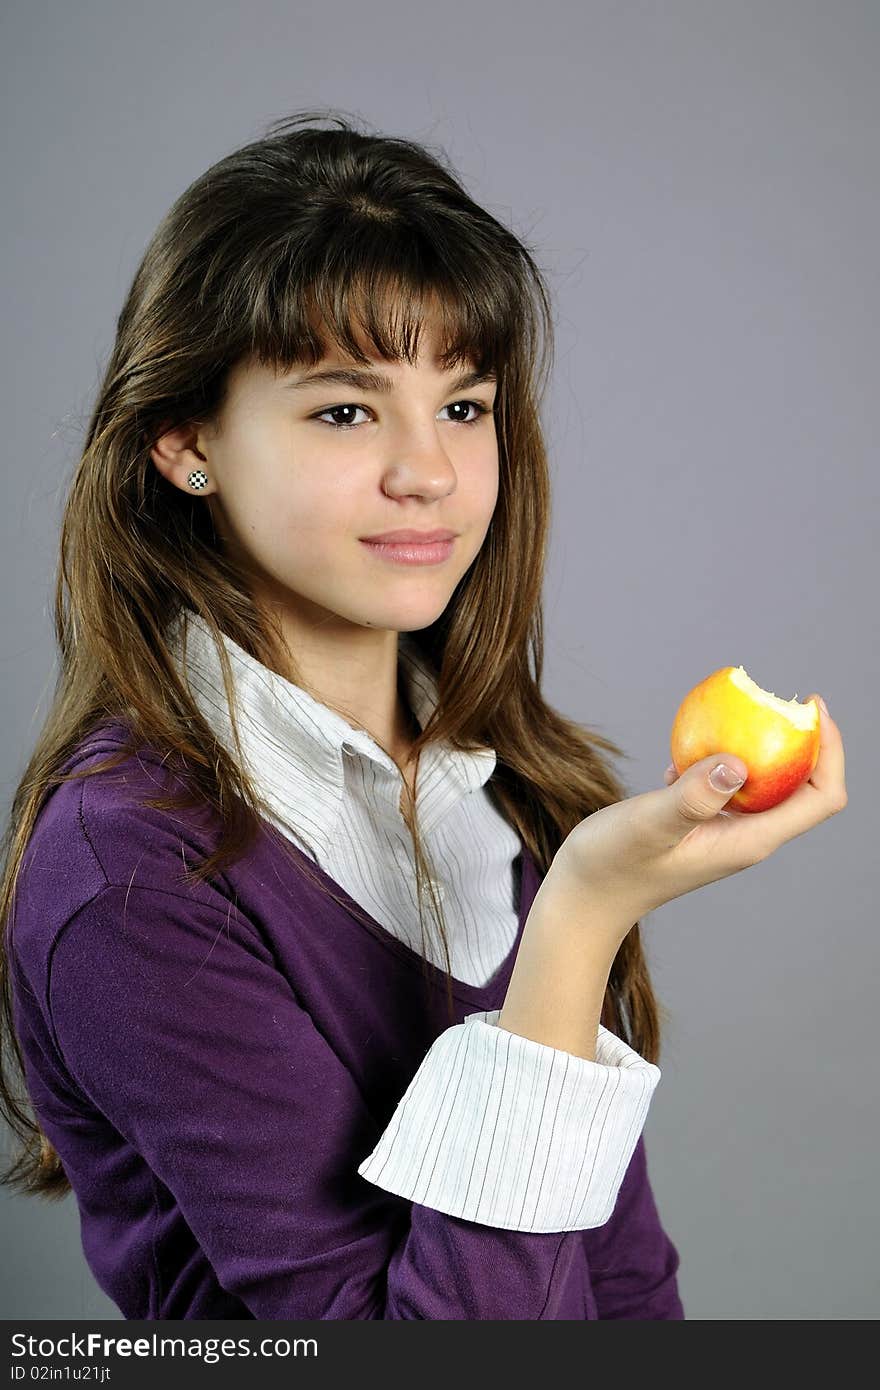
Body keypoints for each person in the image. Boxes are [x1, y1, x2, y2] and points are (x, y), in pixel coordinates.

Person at [0, 110, 847, 1321]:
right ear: (186, 443)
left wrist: (573, 898)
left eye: (464, 404)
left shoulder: (509, 785)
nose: (430, 472)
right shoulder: (129, 869)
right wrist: (580, 923)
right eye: (345, 410)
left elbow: (621, 1285)